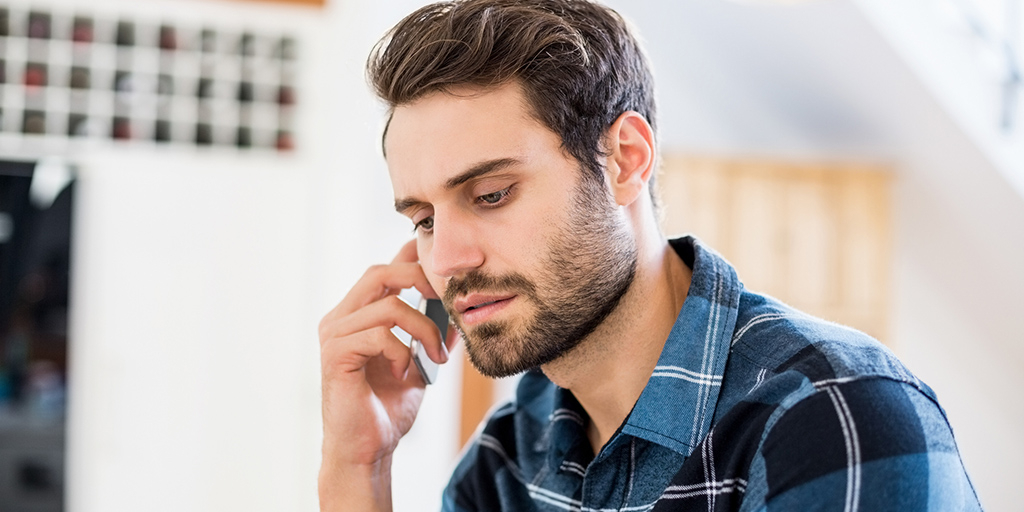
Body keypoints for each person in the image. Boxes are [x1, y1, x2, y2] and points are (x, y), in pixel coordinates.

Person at [317, 1, 982, 510]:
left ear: (625, 161)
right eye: (425, 219)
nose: (449, 259)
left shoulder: (832, 415)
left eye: (490, 195)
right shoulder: (513, 455)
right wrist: (358, 468)